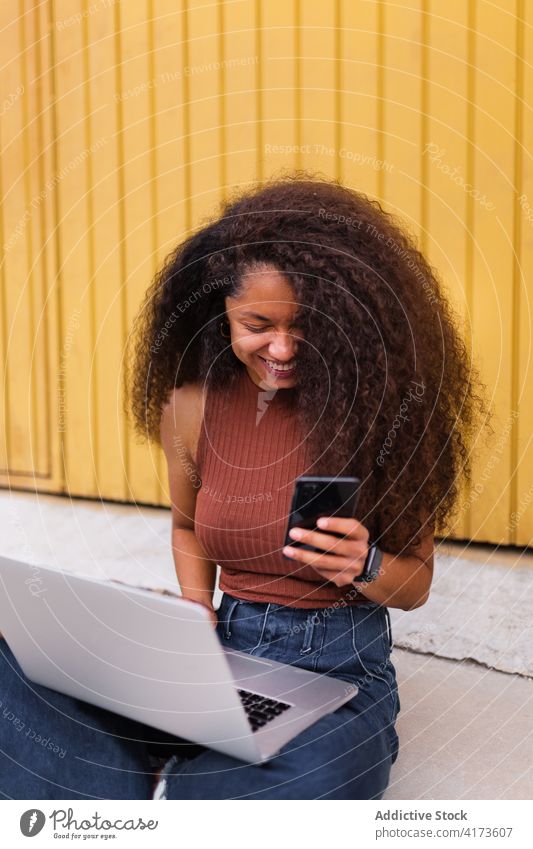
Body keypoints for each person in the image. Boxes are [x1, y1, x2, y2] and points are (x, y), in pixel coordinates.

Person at [0, 174, 489, 799]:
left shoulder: (387, 414)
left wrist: (361, 563)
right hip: (219, 655)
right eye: (258, 324)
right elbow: (185, 526)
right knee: (17, 665)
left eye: (306, 326)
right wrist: (195, 612)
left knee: (325, 770)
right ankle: (133, 784)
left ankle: (157, 783)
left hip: (339, 673)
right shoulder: (191, 407)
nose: (282, 348)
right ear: (222, 310)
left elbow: (415, 585)